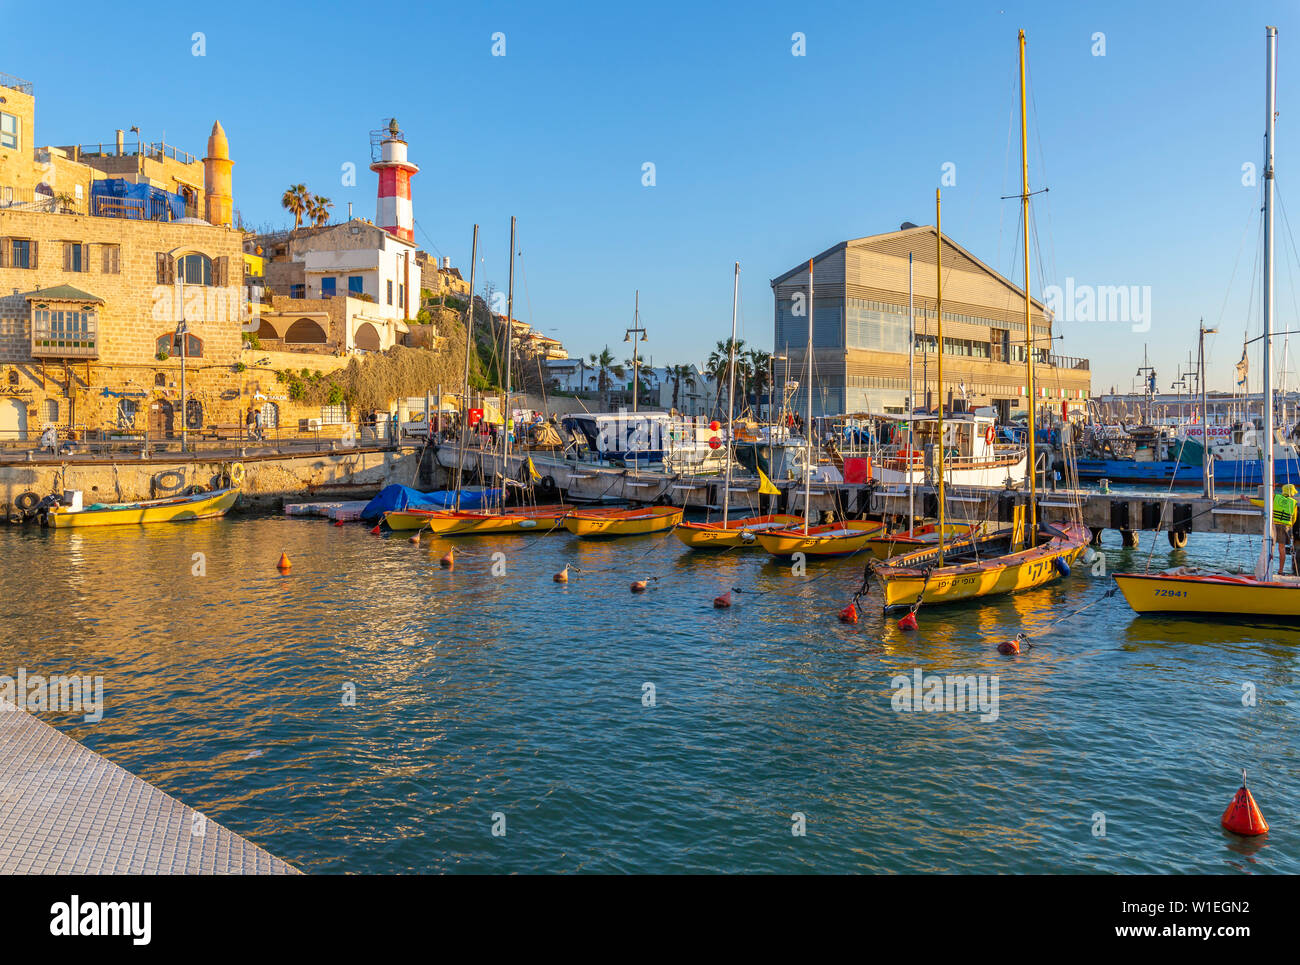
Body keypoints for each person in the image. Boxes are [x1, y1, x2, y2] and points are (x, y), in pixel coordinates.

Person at [1241, 482, 1298, 575]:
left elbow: (1262, 503)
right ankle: (1280, 571)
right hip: (1285, 527)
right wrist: (1289, 525)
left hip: (1273, 525)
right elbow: (1294, 518)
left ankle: (1266, 570)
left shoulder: (1275, 497)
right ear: (1292, 493)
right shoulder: (1294, 503)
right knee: (1282, 549)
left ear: (1283, 491)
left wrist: (1249, 500)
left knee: (1270, 547)